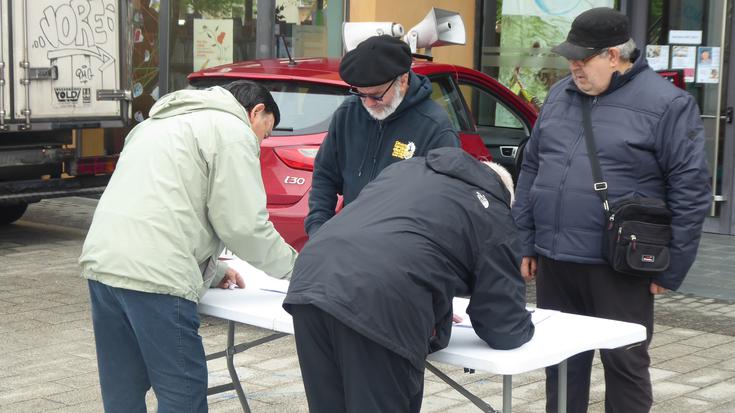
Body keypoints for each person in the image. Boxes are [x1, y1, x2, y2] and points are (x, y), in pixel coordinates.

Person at [512, 8, 711, 413]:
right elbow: (533, 167)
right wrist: (524, 240)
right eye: (570, 59)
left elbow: (691, 191)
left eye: (583, 59)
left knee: (625, 363)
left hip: (620, 263)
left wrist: (671, 269)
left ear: (615, 56)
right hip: (556, 257)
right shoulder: (559, 94)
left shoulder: (668, 104)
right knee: (561, 364)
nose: (574, 67)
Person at [79, 80, 298, 413]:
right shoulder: (232, 131)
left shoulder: (156, 123)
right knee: (182, 391)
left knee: (122, 387)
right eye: (264, 133)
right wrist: (302, 270)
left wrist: (214, 269)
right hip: (157, 276)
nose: (261, 141)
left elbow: (161, 203)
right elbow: (243, 227)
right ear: (256, 112)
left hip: (104, 263)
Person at [285, 147, 535, 412]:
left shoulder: (406, 170)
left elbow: (405, 239)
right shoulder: (493, 210)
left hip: (311, 277)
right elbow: (502, 326)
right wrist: (526, 326)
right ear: (506, 196)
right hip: (379, 299)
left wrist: (429, 305)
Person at [305, 35, 460, 236]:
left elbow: (445, 203)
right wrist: (318, 229)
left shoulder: (435, 127)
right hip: (349, 241)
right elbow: (324, 175)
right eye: (361, 94)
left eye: (376, 95)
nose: (368, 104)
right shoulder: (348, 114)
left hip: (401, 250)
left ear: (403, 81)